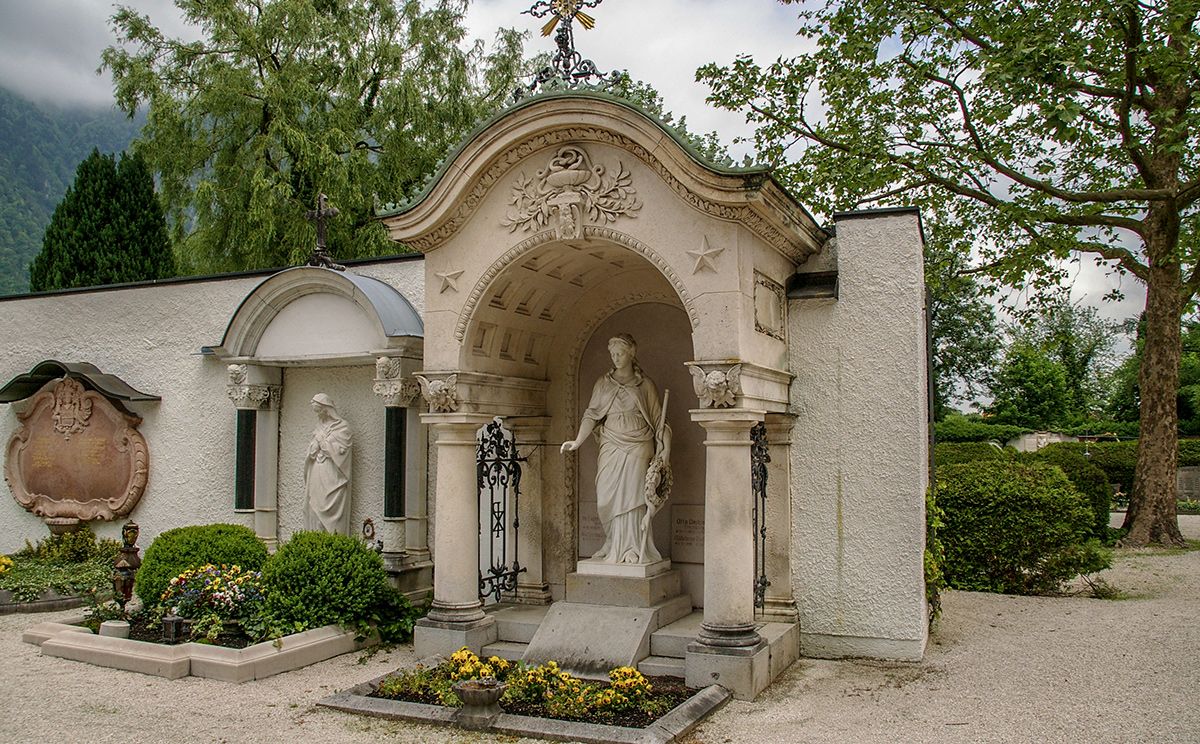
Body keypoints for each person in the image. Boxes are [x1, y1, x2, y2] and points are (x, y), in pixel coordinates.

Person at [562, 334, 670, 564]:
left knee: (633, 496)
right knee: (605, 497)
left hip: (639, 444)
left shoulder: (644, 384)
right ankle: (611, 542)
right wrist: (577, 441)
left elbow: (659, 421)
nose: (616, 358)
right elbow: (591, 415)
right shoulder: (603, 384)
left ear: (632, 353)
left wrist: (665, 450)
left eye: (620, 353)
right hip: (611, 442)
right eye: (612, 354)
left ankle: (632, 547)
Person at [304, 393, 352, 535]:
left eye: (319, 411)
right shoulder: (319, 427)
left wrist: (324, 443)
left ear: (326, 409)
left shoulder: (342, 427)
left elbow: (342, 452)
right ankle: (315, 538)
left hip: (333, 472)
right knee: (314, 504)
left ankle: (334, 537)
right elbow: (312, 449)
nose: (318, 415)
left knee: (330, 504)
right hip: (317, 470)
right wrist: (313, 448)